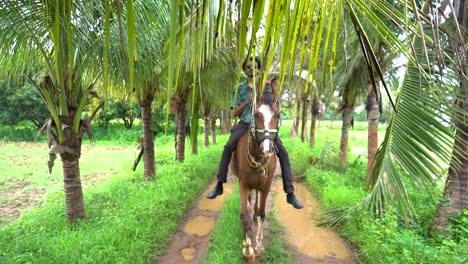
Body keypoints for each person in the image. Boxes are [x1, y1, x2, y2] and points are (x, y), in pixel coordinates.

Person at [206, 56, 304, 209]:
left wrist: (273, 90)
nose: (252, 69)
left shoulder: (265, 87)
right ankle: (219, 184)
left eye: (255, 67)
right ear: (245, 70)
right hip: (245, 123)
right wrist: (247, 101)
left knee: (283, 153)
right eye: (249, 67)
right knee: (228, 146)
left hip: (262, 124)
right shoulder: (238, 89)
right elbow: (234, 113)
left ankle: (290, 193)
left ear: (259, 69)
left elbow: (273, 102)